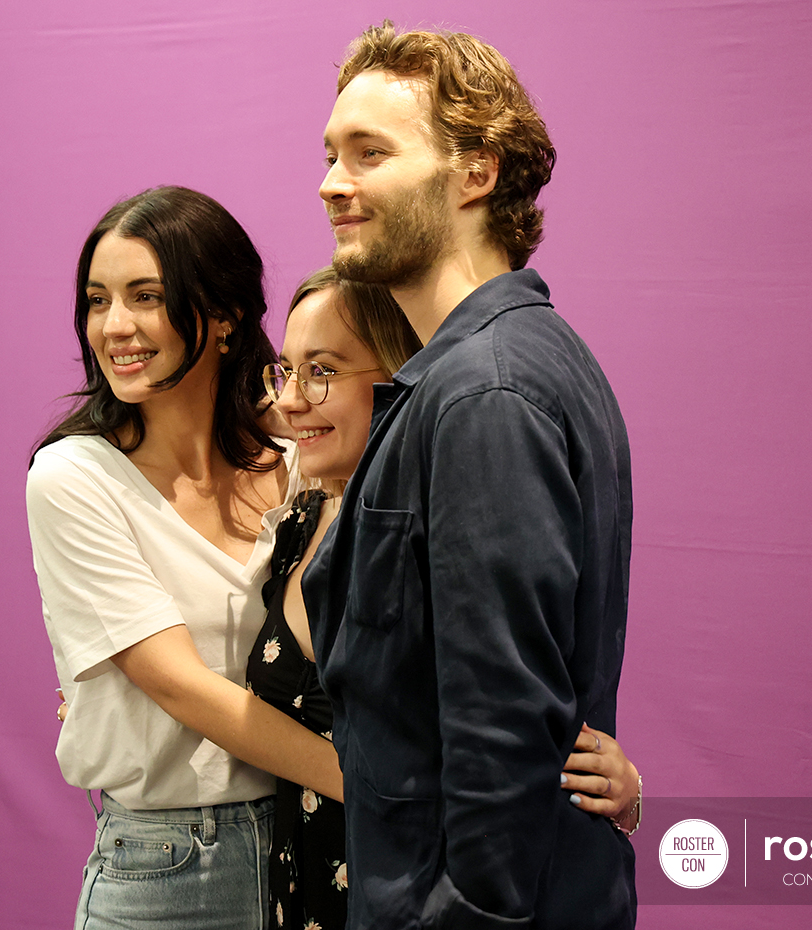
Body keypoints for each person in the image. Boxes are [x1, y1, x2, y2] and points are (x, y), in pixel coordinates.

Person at [28, 186, 638, 929]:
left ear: (222, 318)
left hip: (331, 850)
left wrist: (580, 772)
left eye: (146, 295)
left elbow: (486, 654)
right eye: (97, 300)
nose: (115, 325)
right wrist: (402, 791)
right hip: (175, 860)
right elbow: (186, 688)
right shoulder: (75, 478)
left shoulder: (302, 468)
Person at [303, 23, 638, 930]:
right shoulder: (496, 367)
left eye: (370, 153)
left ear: (476, 172)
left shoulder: (483, 392)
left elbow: (504, 730)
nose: (334, 183)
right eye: (332, 154)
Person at [248, 269, 642, 930]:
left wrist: (606, 788)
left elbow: (502, 704)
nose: (291, 400)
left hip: (410, 896)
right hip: (308, 890)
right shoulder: (294, 523)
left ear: (398, 377)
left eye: (321, 371)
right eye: (285, 371)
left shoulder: (464, 472)